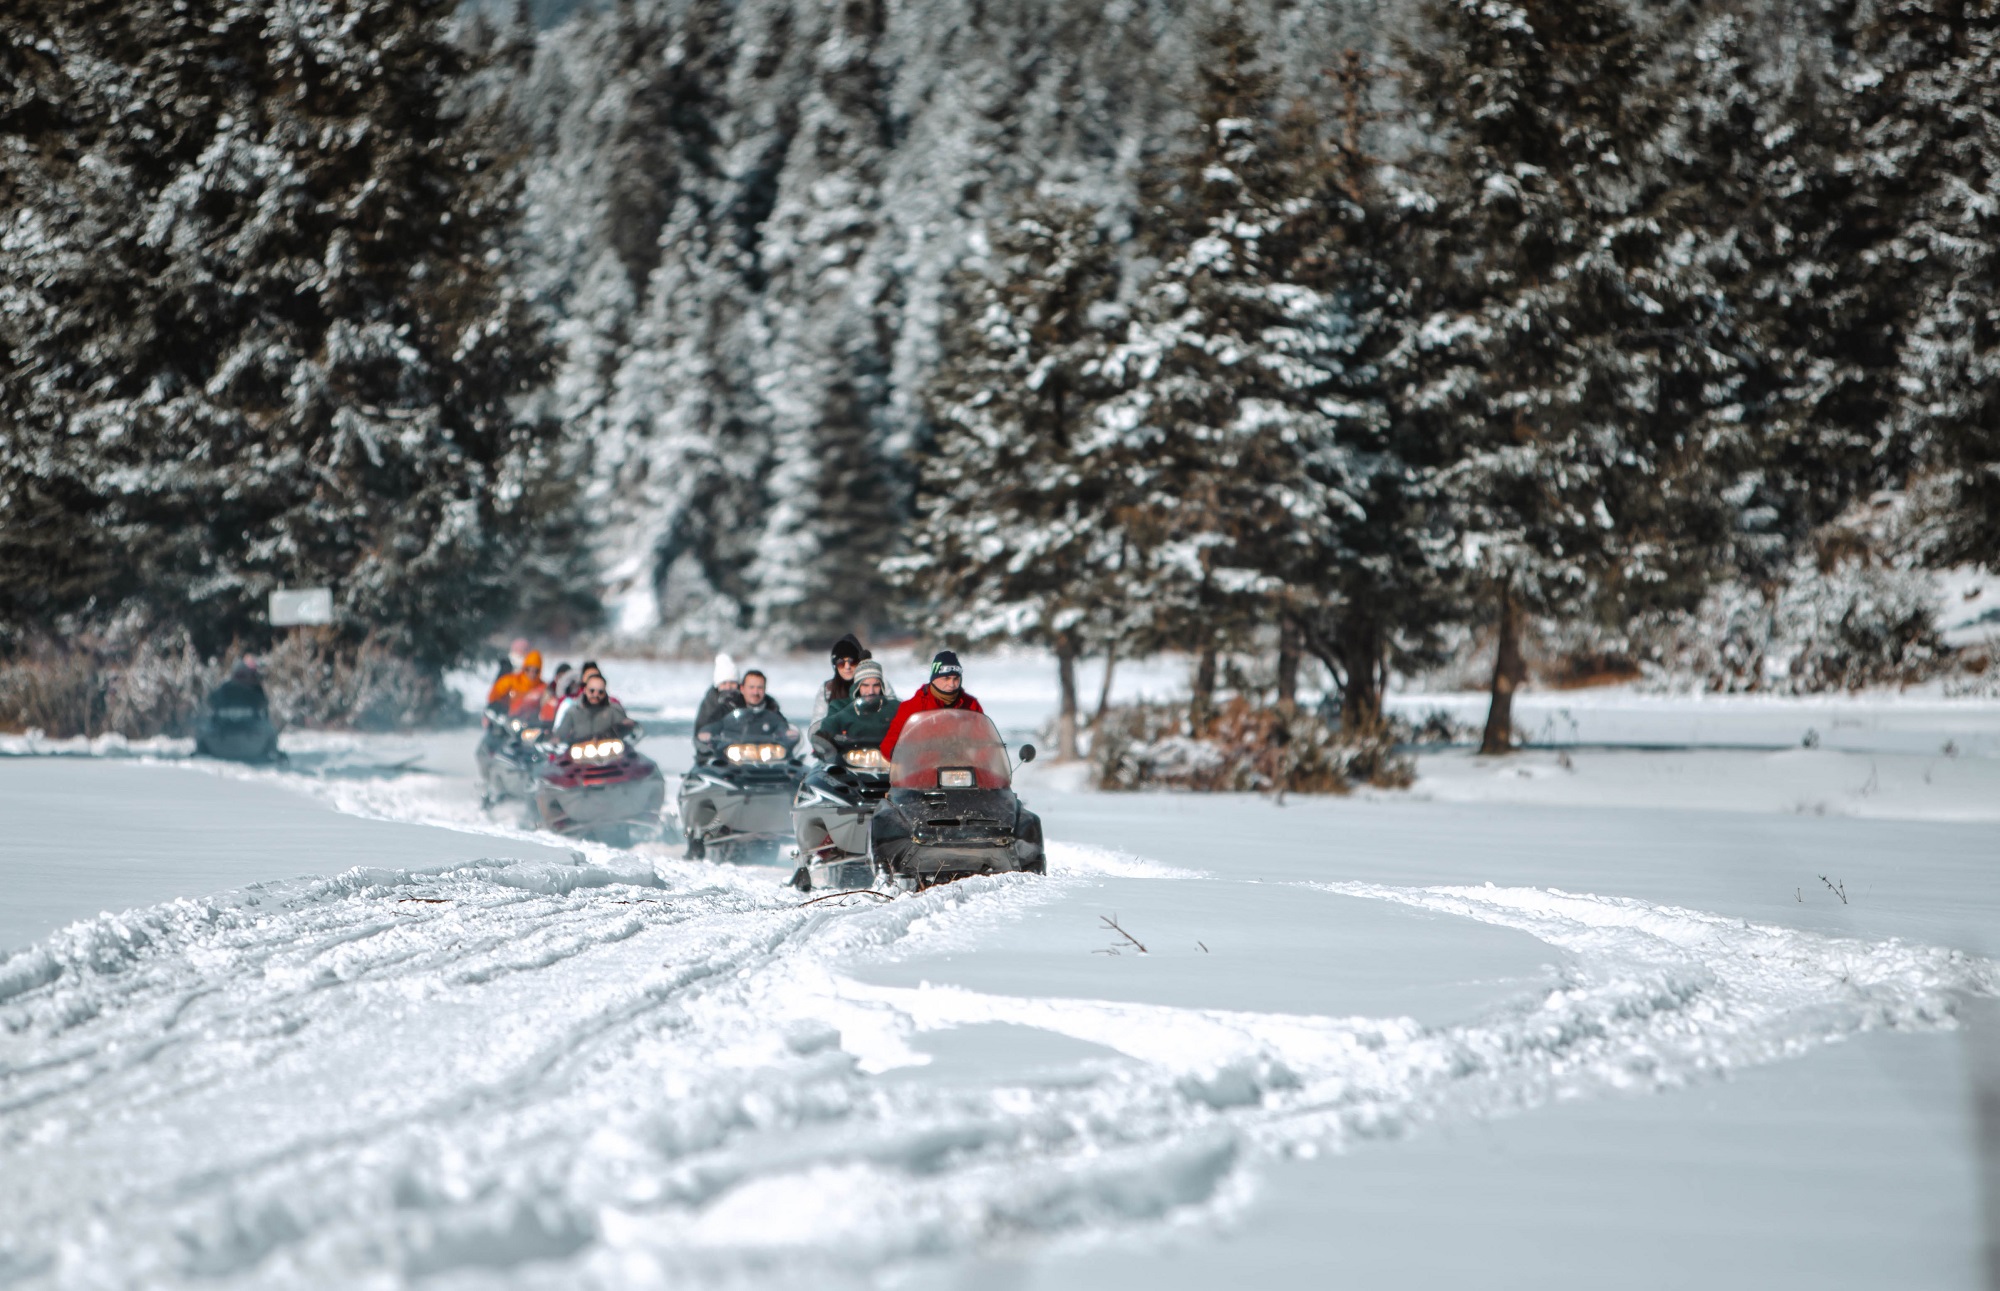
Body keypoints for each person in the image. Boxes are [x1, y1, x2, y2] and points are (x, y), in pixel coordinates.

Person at [880, 650, 984, 759]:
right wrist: (898, 754)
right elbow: (889, 743)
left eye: (956, 679)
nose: (952, 684)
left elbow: (984, 739)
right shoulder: (912, 707)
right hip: (922, 769)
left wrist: (982, 758)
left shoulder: (971, 705)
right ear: (934, 679)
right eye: (946, 678)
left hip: (962, 768)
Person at [696, 668, 797, 755]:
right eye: (751, 687)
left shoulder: (771, 708)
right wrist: (707, 733)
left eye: (759, 688)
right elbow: (715, 724)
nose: (755, 692)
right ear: (742, 689)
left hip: (764, 756)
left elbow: (780, 725)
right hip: (733, 756)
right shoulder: (728, 707)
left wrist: (787, 733)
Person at [818, 659, 894, 748]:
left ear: (882, 687)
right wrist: (824, 738)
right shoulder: (839, 707)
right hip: (849, 758)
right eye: (865, 685)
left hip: (884, 757)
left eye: (876, 685)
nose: (871, 691)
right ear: (857, 686)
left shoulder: (892, 708)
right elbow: (829, 725)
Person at [553, 670, 637, 745]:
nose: (595, 695)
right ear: (585, 690)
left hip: (609, 754)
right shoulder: (573, 712)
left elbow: (629, 727)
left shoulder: (612, 710)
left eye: (600, 692)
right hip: (579, 755)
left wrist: (627, 726)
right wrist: (558, 739)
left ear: (605, 693)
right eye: (592, 691)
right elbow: (560, 735)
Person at [693, 652, 742, 734]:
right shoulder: (711, 702)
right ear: (717, 685)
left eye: (732, 683)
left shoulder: (745, 698)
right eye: (724, 683)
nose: (728, 687)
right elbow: (701, 726)